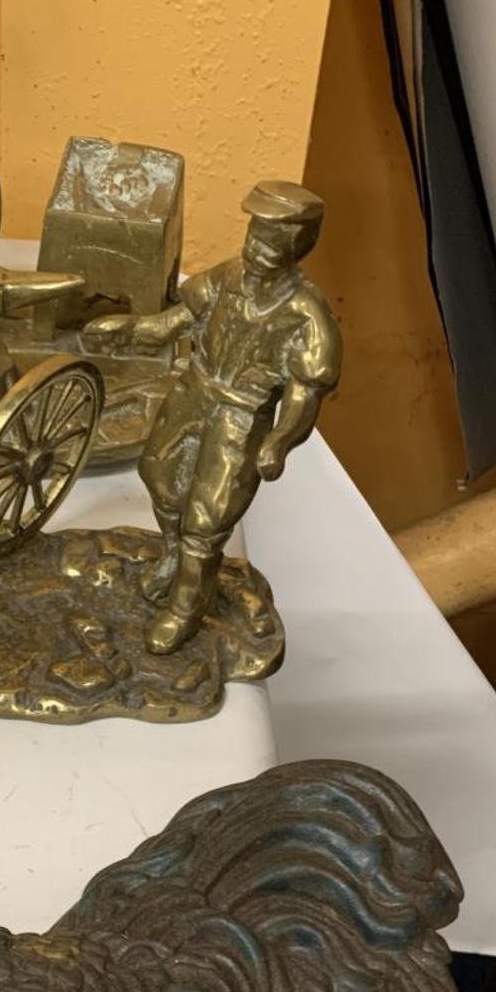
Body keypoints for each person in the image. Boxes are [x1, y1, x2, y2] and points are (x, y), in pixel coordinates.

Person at [83, 182, 342, 655]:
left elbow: (306, 394)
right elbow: (179, 321)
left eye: (275, 240)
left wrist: (279, 442)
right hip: (194, 392)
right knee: (159, 478)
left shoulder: (308, 317)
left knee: (207, 517)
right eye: (256, 233)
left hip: (241, 418)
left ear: (301, 244)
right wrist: (133, 331)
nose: (259, 247)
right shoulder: (228, 277)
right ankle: (172, 555)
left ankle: (185, 607)